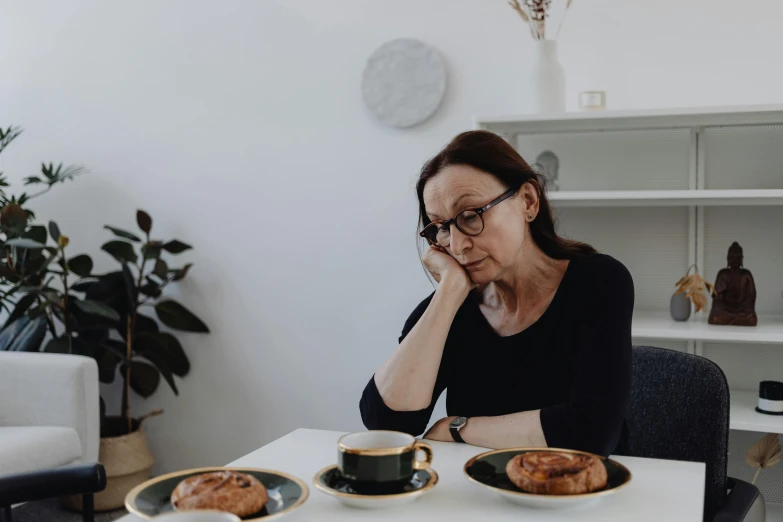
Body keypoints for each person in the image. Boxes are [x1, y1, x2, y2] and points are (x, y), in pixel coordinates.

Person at [359, 130, 634, 457]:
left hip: (580, 493)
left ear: (528, 202)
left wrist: (458, 428)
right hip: (480, 492)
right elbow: (387, 423)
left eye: (471, 216)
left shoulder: (598, 281)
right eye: (442, 227)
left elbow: (591, 432)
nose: (457, 245)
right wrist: (449, 292)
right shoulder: (454, 306)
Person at [708, 242, 758, 326]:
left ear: (742, 258)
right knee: (715, 317)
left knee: (751, 318)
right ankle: (736, 319)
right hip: (725, 310)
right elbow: (717, 299)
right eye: (732, 257)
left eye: (737, 257)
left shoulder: (746, 275)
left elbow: (751, 298)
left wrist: (743, 309)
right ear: (728, 258)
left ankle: (734, 319)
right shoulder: (723, 274)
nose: (735, 259)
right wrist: (723, 308)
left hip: (742, 310)